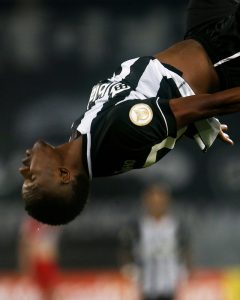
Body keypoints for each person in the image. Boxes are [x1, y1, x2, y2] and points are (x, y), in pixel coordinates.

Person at [19, 0, 240, 225]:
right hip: (224, 53)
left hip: (203, 33)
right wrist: (198, 115)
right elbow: (210, 104)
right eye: (32, 178)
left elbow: (155, 122)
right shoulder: (115, 136)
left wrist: (196, 125)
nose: (23, 170)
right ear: (64, 175)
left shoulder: (82, 139)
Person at [118, 185, 192, 300]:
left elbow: (186, 250)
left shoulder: (177, 227)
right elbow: (125, 248)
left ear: (167, 202)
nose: (157, 205)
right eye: (153, 202)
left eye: (160, 201)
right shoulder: (137, 227)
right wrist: (130, 269)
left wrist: (185, 271)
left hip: (170, 286)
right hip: (145, 287)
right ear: (146, 202)